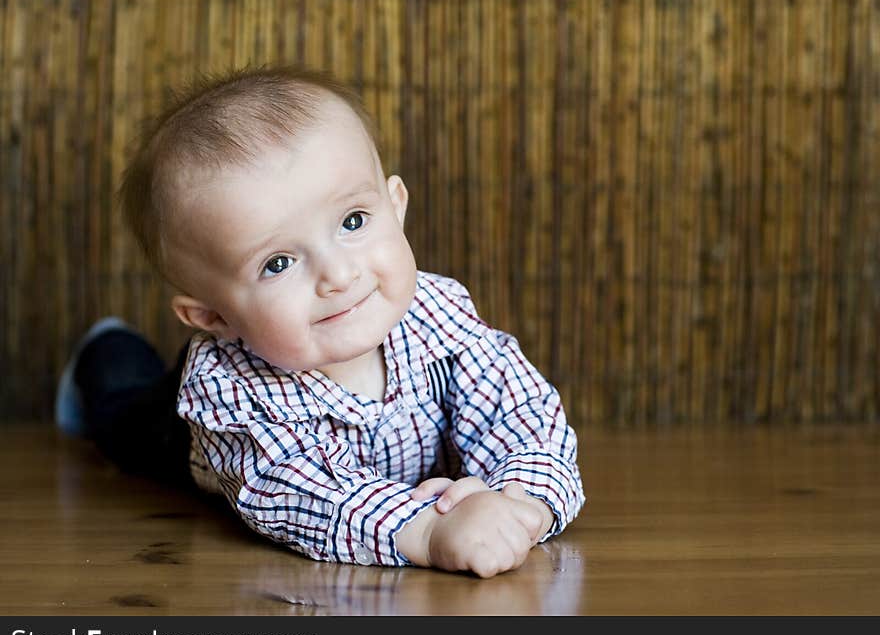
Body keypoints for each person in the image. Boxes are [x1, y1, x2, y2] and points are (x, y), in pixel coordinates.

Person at [56, 66, 585, 578]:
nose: (337, 274)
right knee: (123, 413)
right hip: (177, 432)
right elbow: (296, 491)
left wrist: (519, 503)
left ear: (395, 206)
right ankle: (103, 352)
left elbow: (519, 413)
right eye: (277, 263)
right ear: (213, 315)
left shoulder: (439, 312)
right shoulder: (227, 388)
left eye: (353, 221)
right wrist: (424, 531)